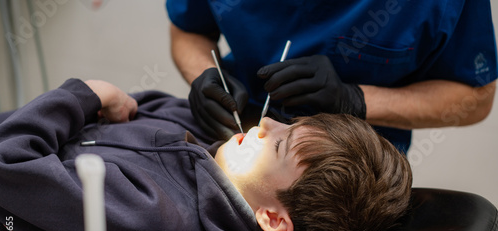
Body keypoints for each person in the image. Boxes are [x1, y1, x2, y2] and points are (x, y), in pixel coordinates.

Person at [0, 78, 411, 231]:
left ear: (273, 217)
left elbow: (8, 162)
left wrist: (86, 92)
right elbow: (130, 108)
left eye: (280, 145)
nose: (265, 126)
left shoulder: (151, 214)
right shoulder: (210, 143)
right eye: (289, 124)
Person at [166, 0, 497, 155]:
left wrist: (356, 99)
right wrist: (205, 75)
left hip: (347, 164)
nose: (264, 130)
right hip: (223, 123)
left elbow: (475, 97)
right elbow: (188, 30)